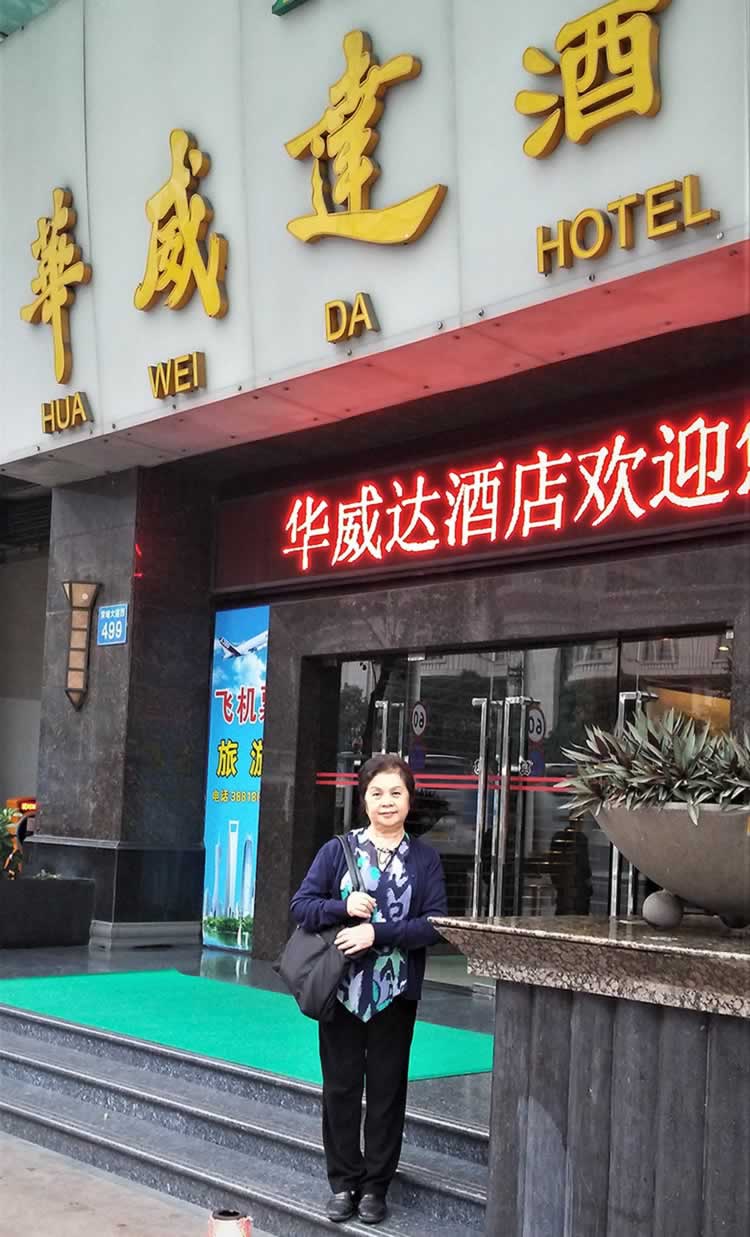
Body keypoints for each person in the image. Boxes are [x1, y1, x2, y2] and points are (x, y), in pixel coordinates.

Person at [290, 752, 448, 1226]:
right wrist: (342, 908)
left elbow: (435, 926)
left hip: (394, 995)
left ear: (409, 800)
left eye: (396, 793)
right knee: (340, 1089)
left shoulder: (424, 859)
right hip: (340, 991)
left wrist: (377, 933)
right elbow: (301, 906)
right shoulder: (337, 851)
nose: (386, 801)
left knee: (386, 1091)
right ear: (364, 800)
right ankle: (343, 1183)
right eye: (377, 793)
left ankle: (376, 1186)